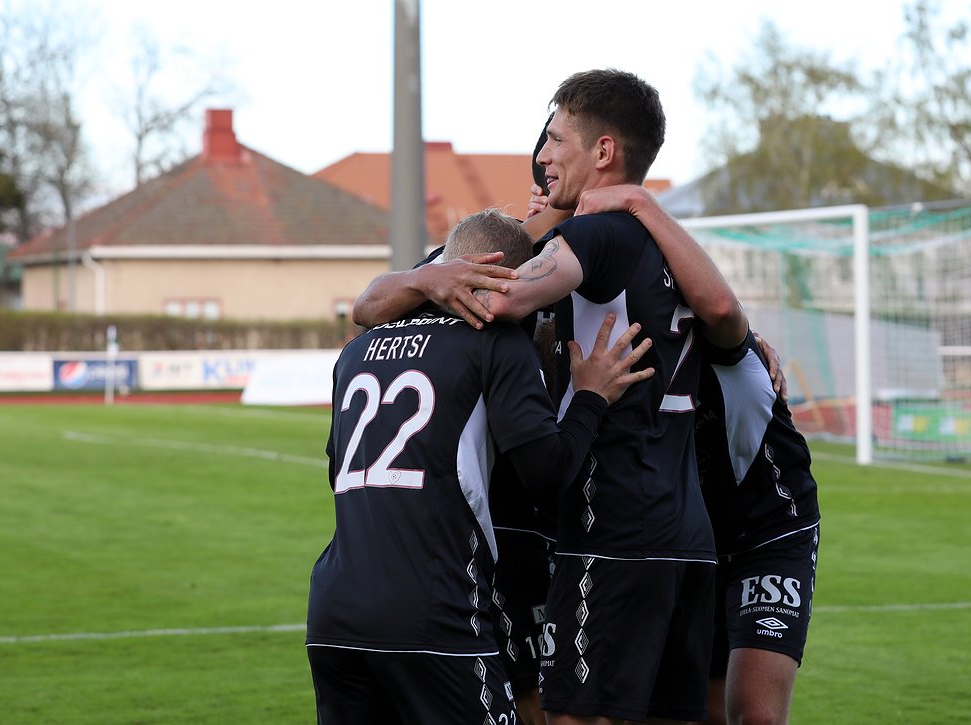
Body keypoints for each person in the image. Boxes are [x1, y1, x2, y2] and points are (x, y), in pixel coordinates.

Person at [466, 69, 745, 725]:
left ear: (603, 152)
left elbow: (500, 296)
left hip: (611, 533)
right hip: (686, 534)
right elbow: (727, 318)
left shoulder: (598, 236)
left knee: (576, 716)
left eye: (557, 139)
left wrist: (427, 277)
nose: (541, 156)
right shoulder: (666, 244)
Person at [305, 208, 655, 724]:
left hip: (333, 617)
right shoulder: (495, 341)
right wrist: (589, 398)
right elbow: (547, 473)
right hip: (435, 614)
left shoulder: (356, 352)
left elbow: (337, 467)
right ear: (507, 278)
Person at [575, 184, 819, 725]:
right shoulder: (615, 356)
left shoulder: (726, 343)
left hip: (766, 532)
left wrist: (639, 201)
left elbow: (722, 307)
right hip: (688, 542)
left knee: (754, 716)